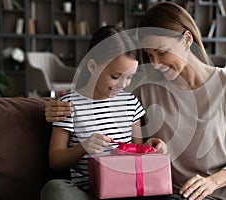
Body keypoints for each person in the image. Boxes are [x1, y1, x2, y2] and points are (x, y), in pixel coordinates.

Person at [45, 2, 226, 200]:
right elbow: (101, 91)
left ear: (186, 39)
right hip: (181, 193)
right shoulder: (146, 89)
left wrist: (212, 182)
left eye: (161, 52)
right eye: (149, 55)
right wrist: (53, 105)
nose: (155, 64)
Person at [41, 25, 167, 200]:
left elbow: (136, 152)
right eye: (115, 76)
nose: (122, 85)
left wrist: (151, 147)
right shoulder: (68, 104)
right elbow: (55, 160)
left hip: (124, 188)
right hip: (86, 191)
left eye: (129, 77)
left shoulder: (131, 103)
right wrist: (83, 147)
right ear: (92, 66)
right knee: (55, 189)